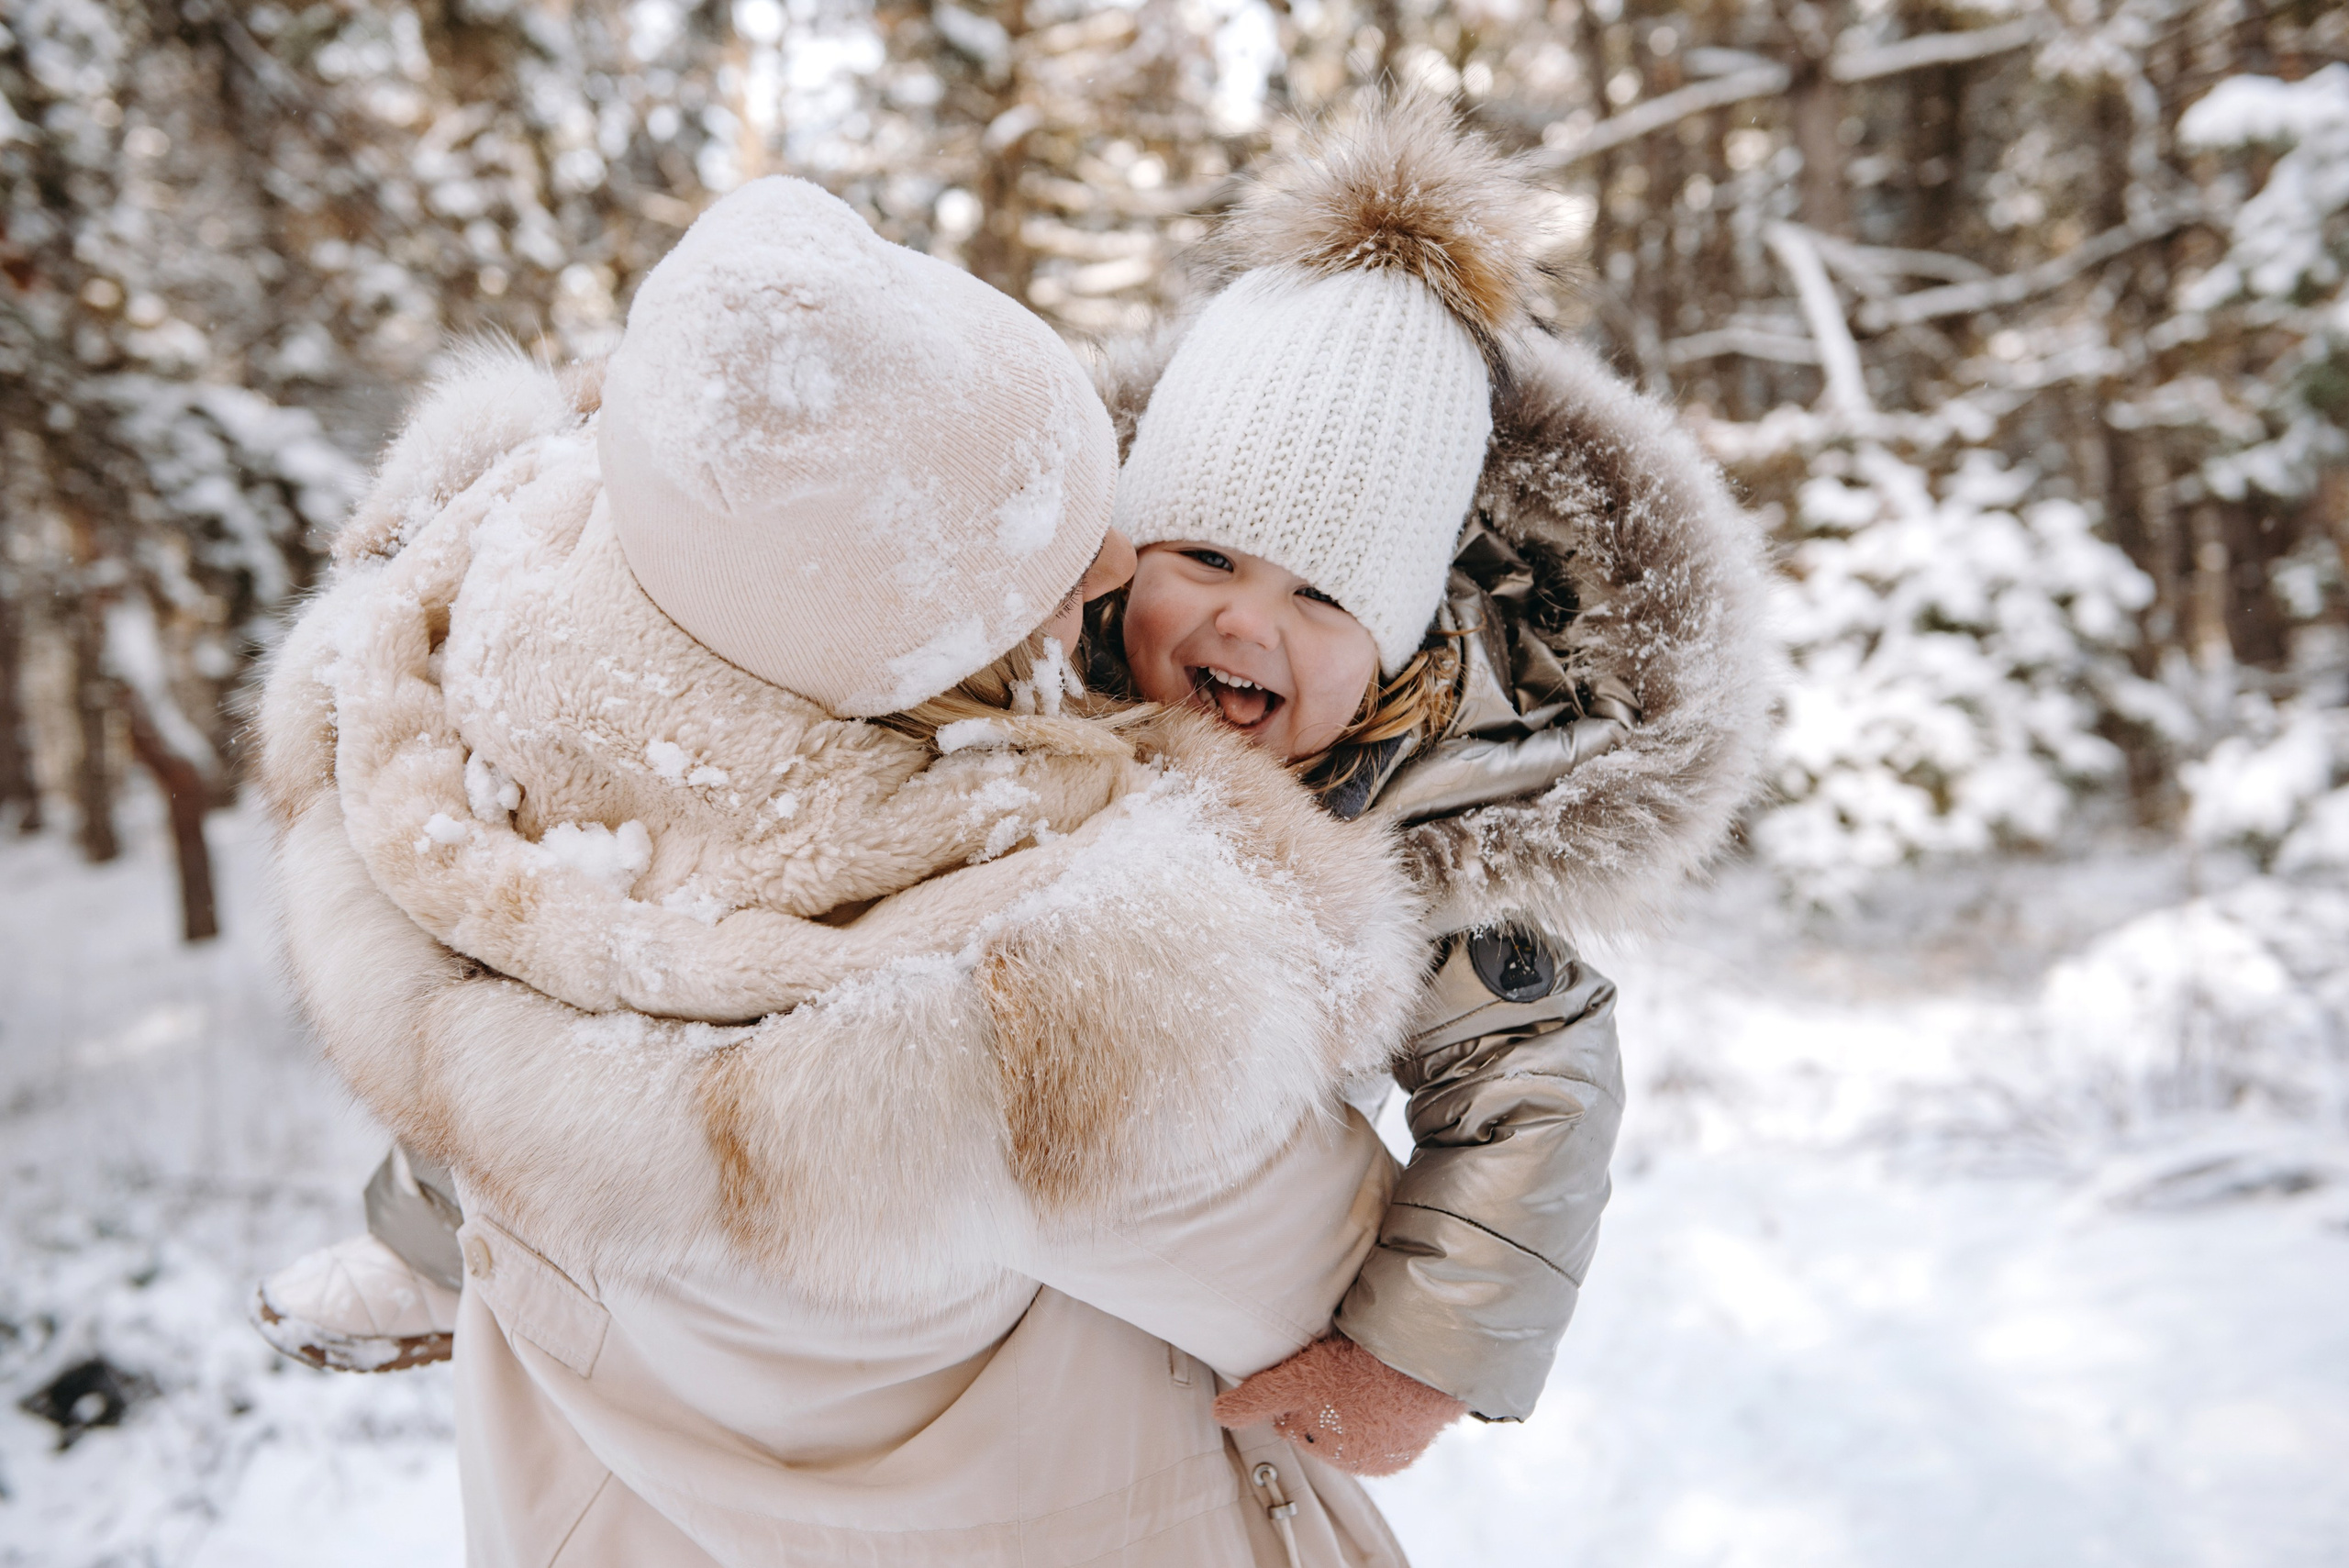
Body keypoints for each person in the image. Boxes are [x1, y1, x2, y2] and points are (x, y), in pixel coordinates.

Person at [257, 175, 1431, 1564]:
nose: (1119, 564)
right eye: (1057, 550)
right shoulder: (1049, 997)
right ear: (909, 649)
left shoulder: (490, 718)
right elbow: (1341, 1287)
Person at [1079, 96, 1775, 1469]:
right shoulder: (1033, 662)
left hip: (1173, 1290)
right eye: (1205, 558)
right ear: (1123, 548)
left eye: (1322, 595)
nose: (1246, 625)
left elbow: (1541, 1071)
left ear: (1399, 636)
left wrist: (1417, 1354)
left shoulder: (1417, 807)